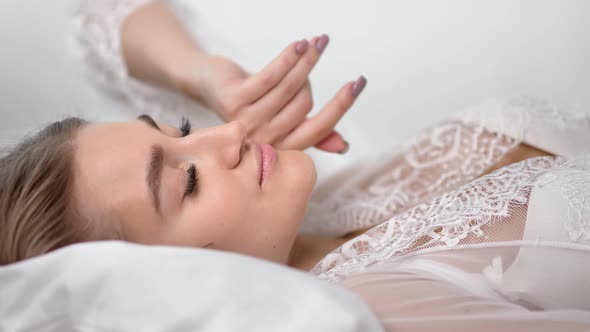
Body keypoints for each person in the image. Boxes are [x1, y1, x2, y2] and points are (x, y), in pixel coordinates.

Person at [1, 1, 589, 331]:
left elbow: (102, 12)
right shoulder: (373, 307)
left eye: (180, 130)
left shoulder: (306, 201)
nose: (228, 132)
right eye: (189, 180)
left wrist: (200, 75)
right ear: (170, 281)